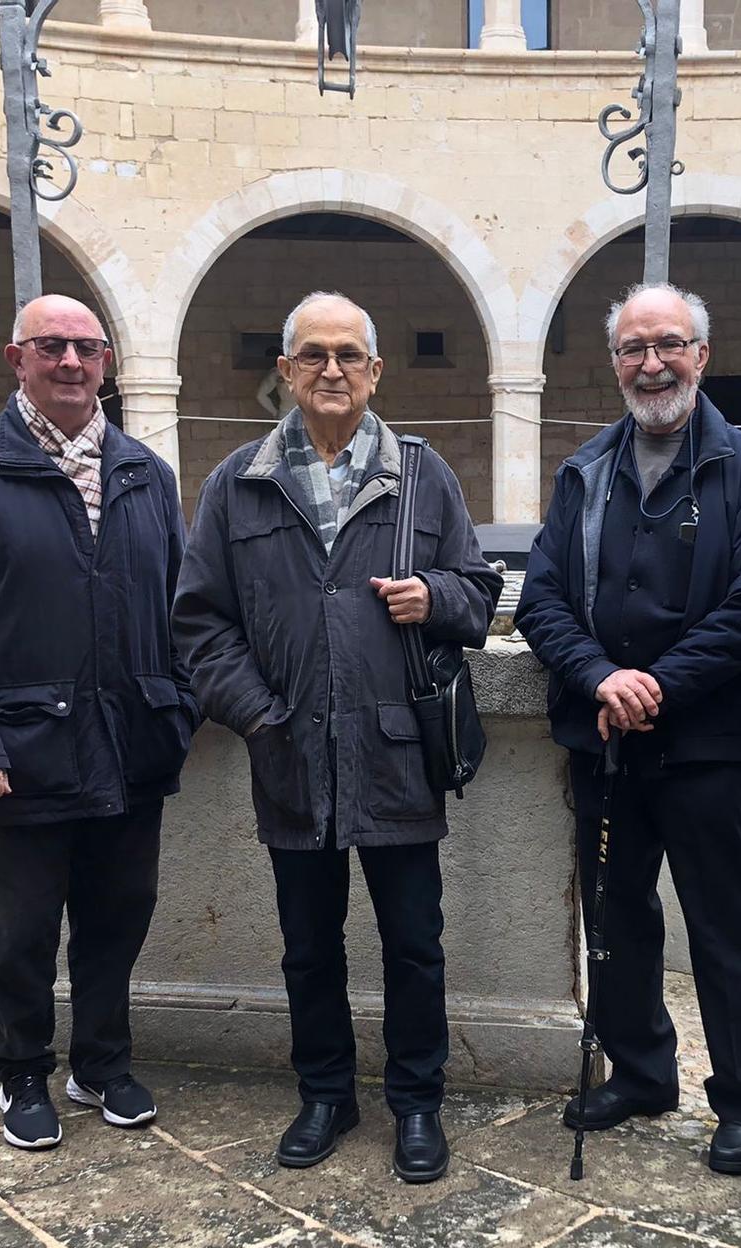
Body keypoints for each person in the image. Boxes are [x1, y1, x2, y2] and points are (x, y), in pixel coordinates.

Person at [173, 291, 500, 1184]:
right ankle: (324, 1093)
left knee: (414, 943)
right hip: (289, 753)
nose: (331, 370)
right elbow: (200, 625)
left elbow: (481, 593)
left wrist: (435, 598)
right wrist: (260, 714)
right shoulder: (235, 482)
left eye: (349, 355)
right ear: (285, 371)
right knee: (309, 945)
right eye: (313, 355)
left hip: (396, 752)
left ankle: (417, 1104)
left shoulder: (425, 475)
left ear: (375, 371)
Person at [515, 282, 741, 1176]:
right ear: (615, 365)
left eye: (669, 344)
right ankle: (641, 1072)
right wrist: (600, 675)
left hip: (709, 741)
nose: (652, 363)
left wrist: (657, 686)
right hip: (604, 738)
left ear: (701, 355)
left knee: (727, 924)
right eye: (634, 349)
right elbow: (543, 598)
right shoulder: (584, 471)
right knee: (617, 917)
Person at [0, 294, 197, 1151]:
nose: (71, 363)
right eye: (52, 347)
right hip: (22, 753)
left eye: (87, 348)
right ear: (18, 359)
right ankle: (23, 1072)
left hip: (129, 747)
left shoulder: (147, 473)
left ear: (107, 361)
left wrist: (176, 712)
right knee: (23, 929)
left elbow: (183, 609)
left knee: (120, 916)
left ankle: (102, 1062)